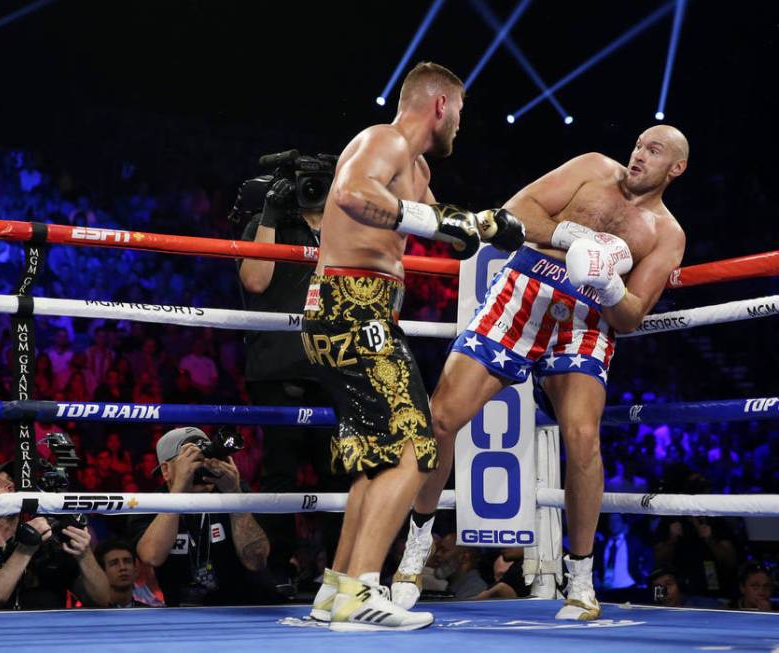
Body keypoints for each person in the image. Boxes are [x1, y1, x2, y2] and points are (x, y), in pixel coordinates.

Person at [392, 124, 689, 621]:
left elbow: (632, 315)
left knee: (583, 440)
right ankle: (414, 553)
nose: (638, 155)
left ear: (675, 168)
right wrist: (567, 234)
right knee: (440, 419)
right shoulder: (593, 168)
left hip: (584, 322)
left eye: (653, 150)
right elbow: (516, 211)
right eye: (638, 145)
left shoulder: (666, 233)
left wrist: (609, 286)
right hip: (521, 295)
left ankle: (579, 582)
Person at [302, 61, 523, 632]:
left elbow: (445, 230)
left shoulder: (416, 168)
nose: (462, 126)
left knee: (376, 458)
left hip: (358, 311)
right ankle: (361, 591)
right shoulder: (384, 141)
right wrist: (427, 219)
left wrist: (490, 226)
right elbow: (352, 194)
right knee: (413, 448)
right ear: (441, 106)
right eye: (462, 112)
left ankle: (336, 590)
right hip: (352, 306)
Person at [236, 150, 346, 592]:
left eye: (322, 181)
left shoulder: (347, 226)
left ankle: (340, 574)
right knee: (280, 473)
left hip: (332, 365)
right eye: (307, 181)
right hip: (277, 364)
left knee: (338, 474)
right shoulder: (268, 224)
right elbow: (256, 281)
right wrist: (270, 211)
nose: (314, 190)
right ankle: (278, 572)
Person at [129, 427, 272, 607]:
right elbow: (152, 556)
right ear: (166, 470)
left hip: (241, 609)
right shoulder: (151, 504)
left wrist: (234, 495)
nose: (201, 467)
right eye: (191, 460)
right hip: (180, 617)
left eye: (205, 459)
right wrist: (179, 490)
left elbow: (256, 560)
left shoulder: (233, 491)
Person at [0, 459, 110, 609]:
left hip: (49, 631)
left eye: (13, 481)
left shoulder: (49, 542)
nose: (10, 485)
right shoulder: (34, 541)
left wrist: (85, 555)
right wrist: (25, 549)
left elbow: (102, 600)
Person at [93, 539, 150, 608]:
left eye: (127, 561)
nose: (123, 567)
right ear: (102, 571)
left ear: (135, 569)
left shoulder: (147, 613)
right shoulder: (92, 614)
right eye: (114, 563)